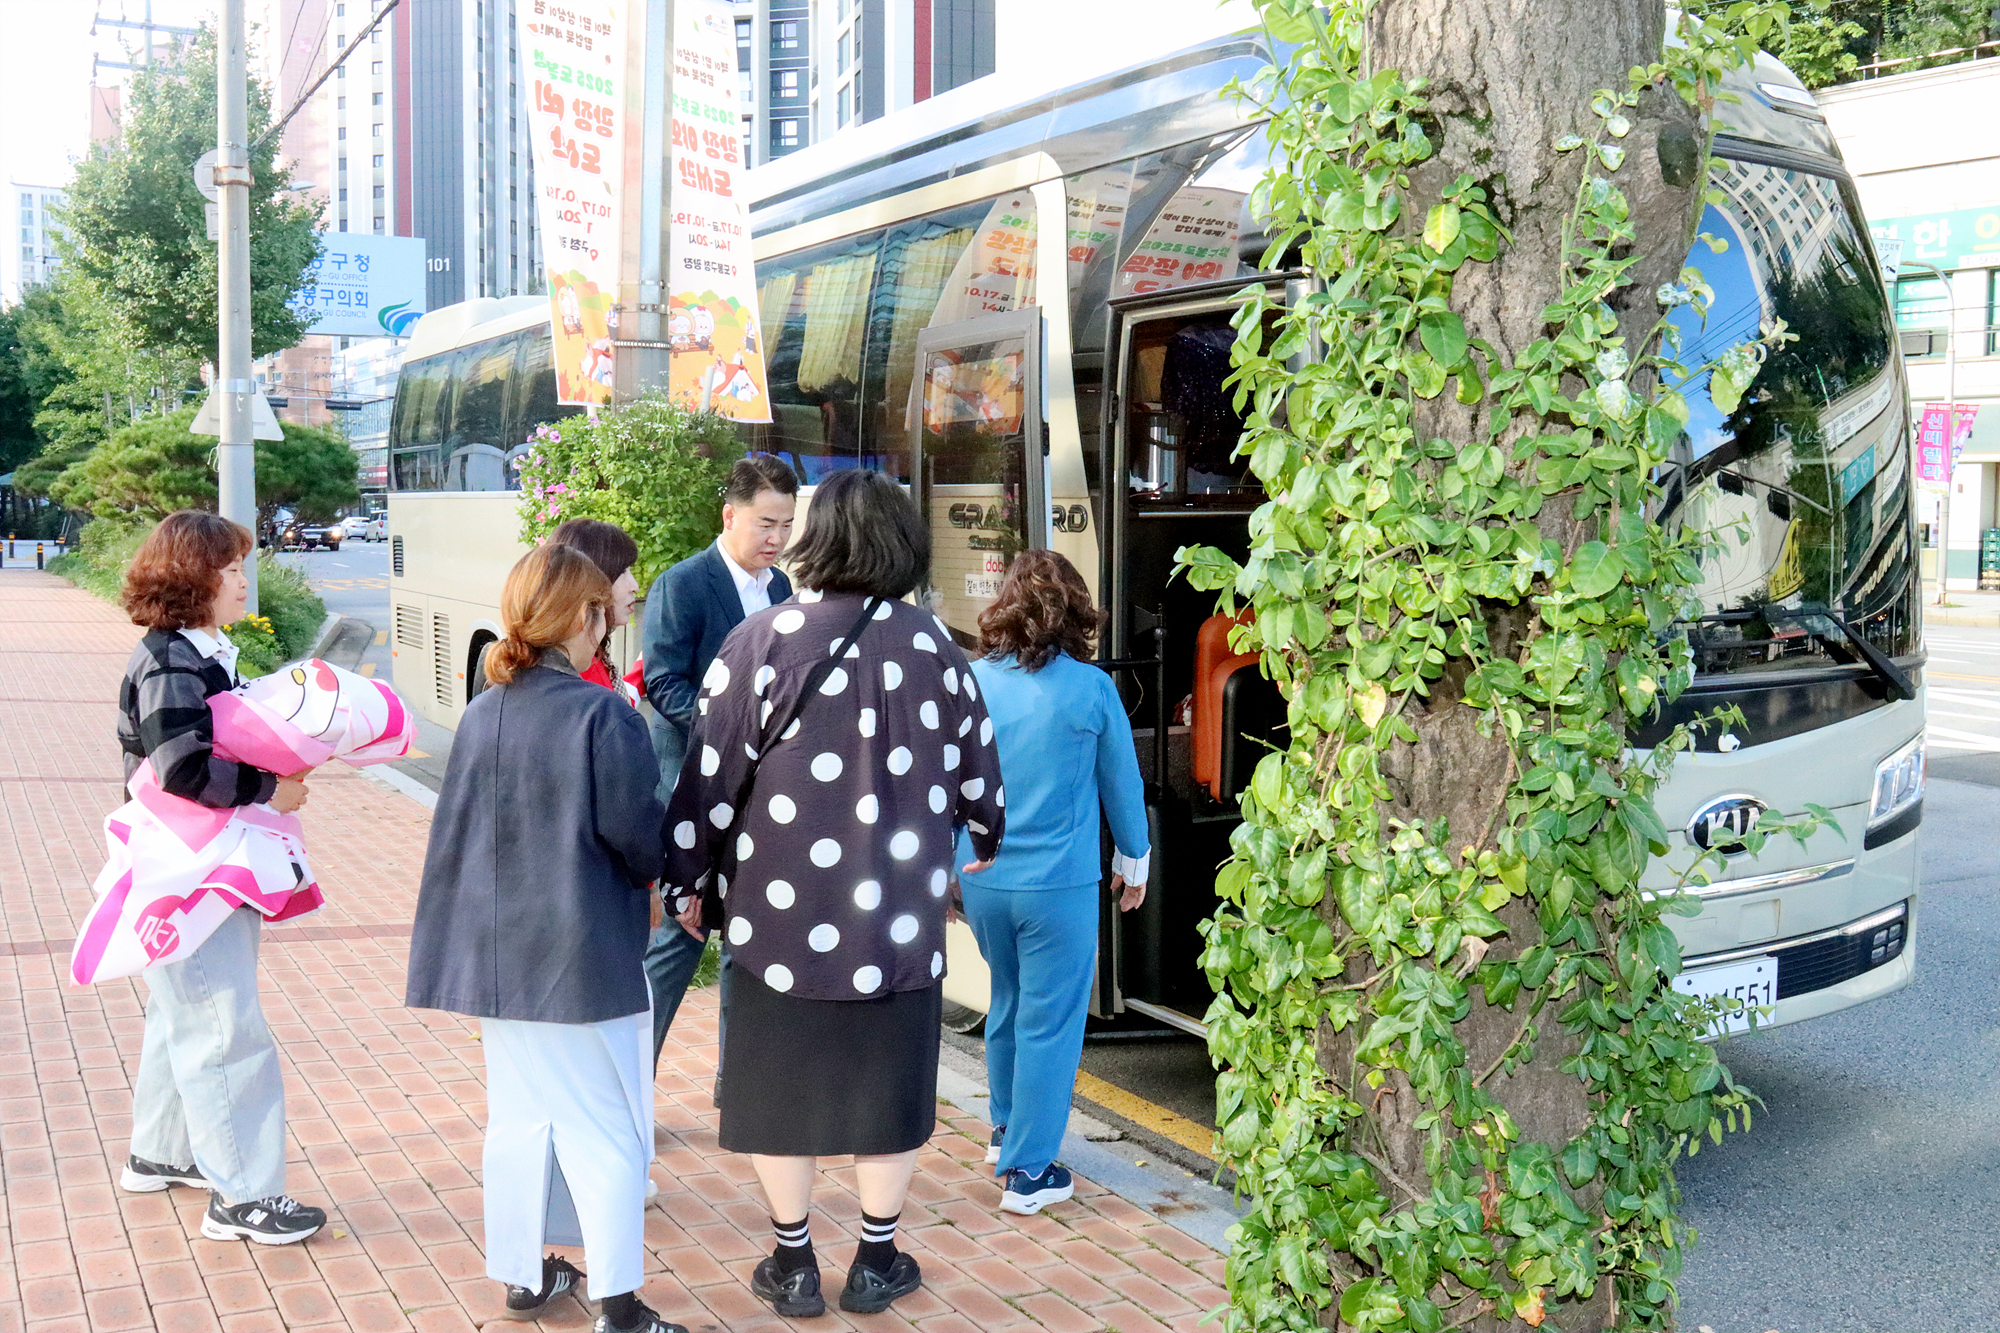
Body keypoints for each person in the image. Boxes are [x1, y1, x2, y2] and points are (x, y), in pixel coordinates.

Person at [663, 469, 1006, 1319]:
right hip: (897, 922)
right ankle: (877, 1258)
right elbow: (982, 786)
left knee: (781, 1093)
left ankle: (793, 1263)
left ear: (817, 540)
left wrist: (687, 877)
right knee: (889, 1092)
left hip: (778, 922)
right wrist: (980, 843)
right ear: (904, 545)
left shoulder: (759, 639)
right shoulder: (936, 647)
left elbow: (709, 778)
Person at [404, 545, 685, 1333]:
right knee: (610, 1131)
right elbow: (639, 836)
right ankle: (619, 1308)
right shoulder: (602, 713)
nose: (607, 623)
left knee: (520, 1122)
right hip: (579, 953)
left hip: (495, 956)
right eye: (600, 610)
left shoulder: (485, 706)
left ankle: (525, 1276)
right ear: (582, 616)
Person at [114, 510, 328, 1245]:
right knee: (222, 1025)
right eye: (230, 568)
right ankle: (242, 1196)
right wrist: (269, 789)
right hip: (192, 871)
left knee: (185, 1012)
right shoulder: (172, 660)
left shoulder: (190, 651)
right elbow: (182, 768)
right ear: (192, 577)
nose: (243, 579)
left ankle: (161, 1152)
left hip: (190, 866)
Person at [955, 550, 1150, 1216]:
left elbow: (946, 780)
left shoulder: (972, 680)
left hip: (983, 877)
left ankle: (1005, 1131)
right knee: (1051, 1022)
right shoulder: (1091, 688)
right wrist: (1134, 860)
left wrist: (946, 868)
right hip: (1058, 884)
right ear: (1078, 612)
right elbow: (1121, 784)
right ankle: (1030, 1171)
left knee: (1008, 1001)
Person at [638, 455, 798, 1072]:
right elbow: (663, 682)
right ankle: (630, 1086)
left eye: (786, 525)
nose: (776, 539)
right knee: (678, 937)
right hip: (693, 786)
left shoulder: (780, 588)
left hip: (759, 793)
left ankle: (739, 1090)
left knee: (746, 940)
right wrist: (730, 734)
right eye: (765, 524)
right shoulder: (682, 583)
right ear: (730, 516)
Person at [549, 518, 642, 703]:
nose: (635, 586)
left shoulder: (590, 656)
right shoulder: (578, 667)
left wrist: (642, 669)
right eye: (622, 572)